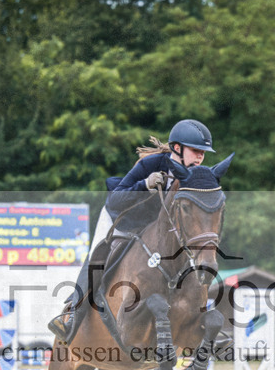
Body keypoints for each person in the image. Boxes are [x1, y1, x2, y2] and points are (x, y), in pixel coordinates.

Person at [48, 119, 216, 342]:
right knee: (98, 255)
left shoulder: (196, 178)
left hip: (156, 230)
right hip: (122, 218)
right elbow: (116, 198)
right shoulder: (152, 164)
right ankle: (72, 312)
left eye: (203, 153)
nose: (200, 157)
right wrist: (144, 185)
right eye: (196, 151)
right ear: (177, 148)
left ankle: (201, 315)